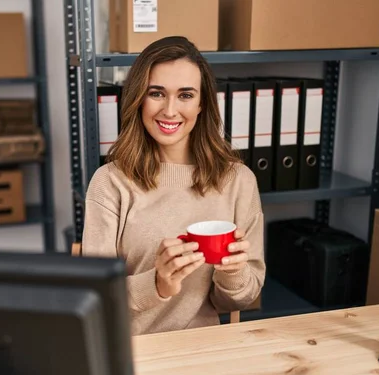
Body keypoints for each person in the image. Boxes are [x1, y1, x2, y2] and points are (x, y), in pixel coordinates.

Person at [82, 36, 266, 336]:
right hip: (129, 353)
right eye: (157, 93)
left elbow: (240, 299)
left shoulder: (238, 181)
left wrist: (233, 273)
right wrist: (157, 284)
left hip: (201, 349)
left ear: (201, 103)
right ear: (138, 98)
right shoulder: (110, 182)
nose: (169, 111)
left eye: (185, 95)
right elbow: (94, 297)